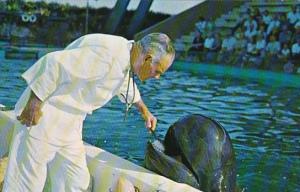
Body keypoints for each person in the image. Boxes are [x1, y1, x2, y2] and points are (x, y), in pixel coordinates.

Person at [3, 33, 175, 191]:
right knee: (26, 183)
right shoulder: (108, 56)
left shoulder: (126, 58)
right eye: (158, 71)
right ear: (148, 59)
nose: (157, 77)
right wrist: (34, 103)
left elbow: (121, 84)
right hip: (43, 117)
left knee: (76, 181)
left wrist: (144, 111)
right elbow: (53, 63)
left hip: (70, 125)